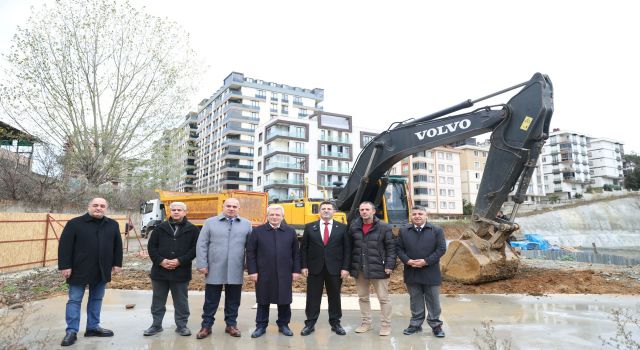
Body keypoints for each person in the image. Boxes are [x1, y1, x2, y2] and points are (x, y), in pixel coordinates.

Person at [57, 198, 123, 347]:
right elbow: (64, 246)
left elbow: (117, 245)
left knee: (97, 299)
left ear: (106, 208)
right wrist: (65, 266)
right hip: (79, 268)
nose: (98, 208)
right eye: (95, 205)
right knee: (74, 300)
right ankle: (71, 331)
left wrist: (117, 263)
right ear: (88, 207)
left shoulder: (112, 224)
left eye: (102, 206)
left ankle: (93, 327)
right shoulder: (74, 223)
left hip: (102, 268)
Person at [195, 198, 252, 339]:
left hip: (236, 268)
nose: (231, 208)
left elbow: (250, 248)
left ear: (239, 208)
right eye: (228, 206)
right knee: (211, 299)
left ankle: (231, 325)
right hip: (214, 267)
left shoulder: (246, 224)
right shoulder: (210, 222)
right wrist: (202, 264)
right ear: (223, 206)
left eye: (234, 206)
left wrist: (249, 266)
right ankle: (206, 326)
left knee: (233, 299)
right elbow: (202, 244)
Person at [144, 202, 200, 337]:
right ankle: (156, 325)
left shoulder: (193, 230)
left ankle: (181, 326)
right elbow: (152, 247)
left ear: (185, 212)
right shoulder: (160, 228)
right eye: (173, 210)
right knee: (158, 300)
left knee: (181, 300)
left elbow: (195, 249)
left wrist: (180, 261)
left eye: (179, 210)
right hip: (160, 271)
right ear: (170, 211)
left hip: (181, 272)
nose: (176, 212)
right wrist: (161, 261)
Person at [246, 205, 301, 338]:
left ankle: (283, 324)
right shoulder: (258, 231)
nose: (275, 217)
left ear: (282, 216)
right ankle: (261, 325)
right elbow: (250, 252)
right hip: (263, 272)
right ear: (267, 216)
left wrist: (296, 271)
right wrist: (252, 271)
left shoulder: (290, 231)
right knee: (263, 299)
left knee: (284, 299)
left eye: (277, 215)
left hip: (285, 272)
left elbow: (296, 253)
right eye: (272, 215)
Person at [300, 201, 351, 336]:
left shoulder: (343, 228)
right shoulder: (310, 227)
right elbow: (304, 249)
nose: (326, 211)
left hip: (335, 269)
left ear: (334, 211)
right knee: (312, 297)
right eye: (323, 209)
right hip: (314, 268)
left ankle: (335, 323)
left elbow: (347, 250)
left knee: (334, 297)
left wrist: (345, 268)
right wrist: (304, 266)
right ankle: (310, 323)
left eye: (329, 208)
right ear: (319, 212)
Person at [397, 206, 447, 338]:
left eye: (420, 213)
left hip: (431, 271)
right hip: (411, 270)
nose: (417, 216)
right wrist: (408, 261)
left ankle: (436, 325)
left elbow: (441, 249)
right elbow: (398, 248)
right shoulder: (403, 231)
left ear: (426, 215)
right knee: (415, 299)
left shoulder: (436, 230)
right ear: (411, 216)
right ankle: (415, 324)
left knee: (433, 300)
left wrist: (426, 261)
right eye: (414, 214)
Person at [349, 201, 396, 336]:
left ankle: (386, 325)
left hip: (379, 268)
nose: (364, 212)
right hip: (360, 268)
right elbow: (351, 248)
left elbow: (391, 248)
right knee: (363, 297)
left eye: (367, 209)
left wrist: (389, 265)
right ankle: (366, 323)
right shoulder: (354, 227)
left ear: (373, 211)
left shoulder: (384, 227)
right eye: (362, 209)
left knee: (383, 298)